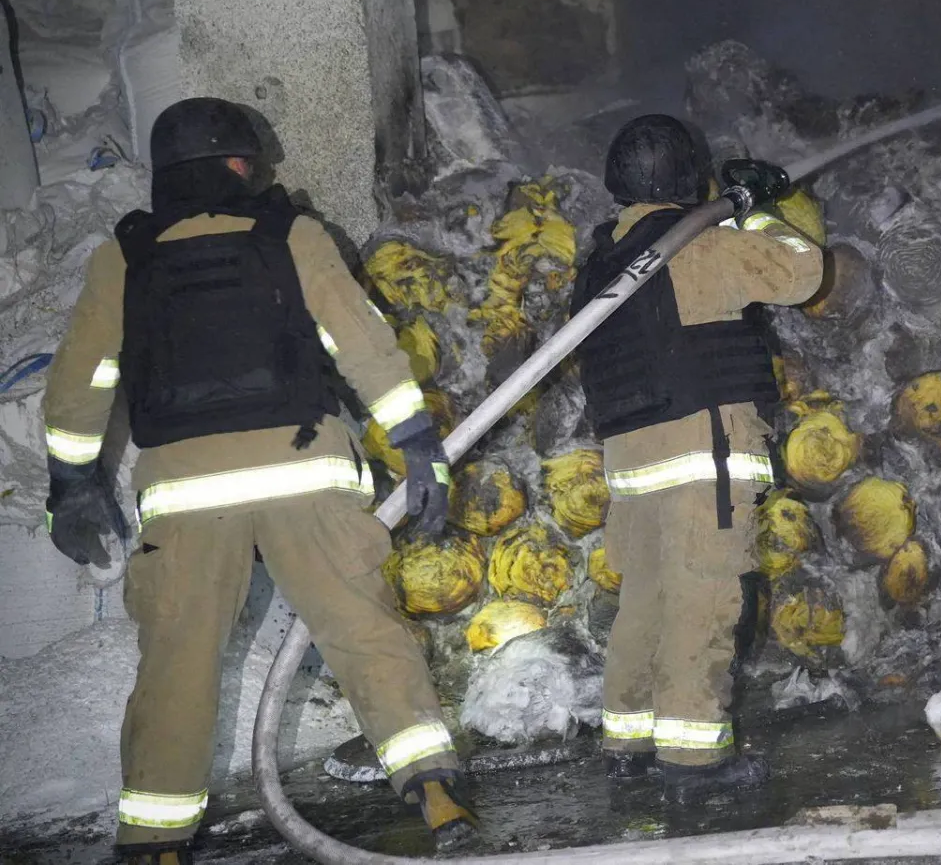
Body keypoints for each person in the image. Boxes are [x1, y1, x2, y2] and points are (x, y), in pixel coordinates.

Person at [41, 98, 478, 863]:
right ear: (241, 166)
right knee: (364, 632)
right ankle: (436, 795)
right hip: (305, 471)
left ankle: (155, 842)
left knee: (179, 662)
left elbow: (81, 383)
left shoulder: (126, 256)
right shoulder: (292, 235)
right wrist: (415, 445)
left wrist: (72, 482)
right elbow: (363, 346)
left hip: (184, 491)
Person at [571, 113, 824, 803]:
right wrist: (757, 214)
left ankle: (627, 744)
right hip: (699, 455)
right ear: (690, 178)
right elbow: (803, 272)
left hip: (631, 460)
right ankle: (694, 764)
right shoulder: (701, 247)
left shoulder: (601, 257)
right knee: (703, 602)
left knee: (645, 603)